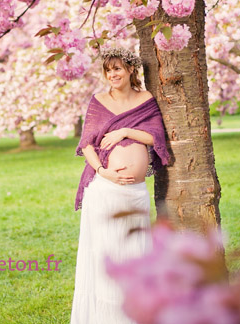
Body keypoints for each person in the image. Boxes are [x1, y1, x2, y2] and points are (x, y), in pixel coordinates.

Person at [70, 46, 171, 324]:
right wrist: (104, 172)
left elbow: (156, 137)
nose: (112, 74)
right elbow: (86, 145)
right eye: (108, 70)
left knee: (134, 254)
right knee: (107, 255)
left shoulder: (146, 99)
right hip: (105, 190)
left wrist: (125, 131)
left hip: (135, 195)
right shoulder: (99, 101)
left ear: (129, 70)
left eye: (117, 68)